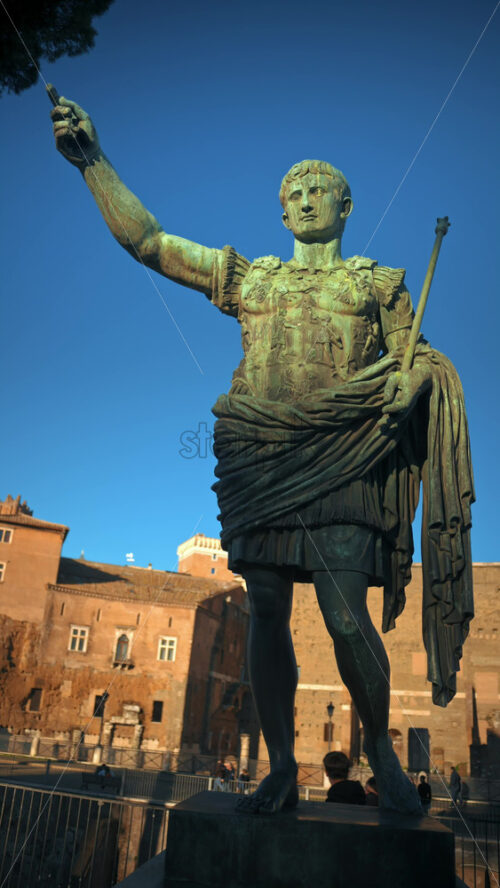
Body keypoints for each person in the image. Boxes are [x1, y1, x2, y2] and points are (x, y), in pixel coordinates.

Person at [51, 100, 474, 816]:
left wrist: (416, 382)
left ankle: (380, 753)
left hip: (346, 458)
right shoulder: (254, 280)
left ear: (345, 207)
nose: (306, 200)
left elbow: (422, 359)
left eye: (320, 190)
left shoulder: (376, 284)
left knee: (345, 615)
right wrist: (93, 162)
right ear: (282, 213)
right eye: (294, 193)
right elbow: (149, 242)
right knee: (268, 608)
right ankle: (279, 765)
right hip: (261, 457)